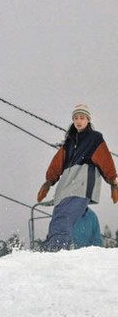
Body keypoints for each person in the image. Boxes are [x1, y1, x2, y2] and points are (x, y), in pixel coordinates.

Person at [37, 104, 118, 251]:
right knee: (57, 217)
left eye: (82, 117)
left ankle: (57, 249)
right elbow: (57, 162)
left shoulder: (94, 138)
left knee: (64, 218)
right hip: (65, 186)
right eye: (75, 118)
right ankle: (56, 248)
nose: (78, 121)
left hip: (82, 184)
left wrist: (113, 182)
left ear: (88, 120)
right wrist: (48, 182)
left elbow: (105, 159)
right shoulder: (69, 142)